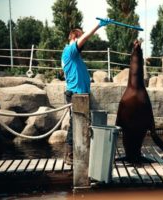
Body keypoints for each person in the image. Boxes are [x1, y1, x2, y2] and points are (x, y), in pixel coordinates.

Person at [62, 19, 110, 165]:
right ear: (74, 38)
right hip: (76, 94)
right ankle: (69, 155)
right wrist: (98, 25)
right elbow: (85, 37)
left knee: (79, 124)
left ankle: (78, 153)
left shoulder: (74, 56)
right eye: (80, 38)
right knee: (74, 124)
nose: (83, 43)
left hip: (80, 94)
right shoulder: (70, 51)